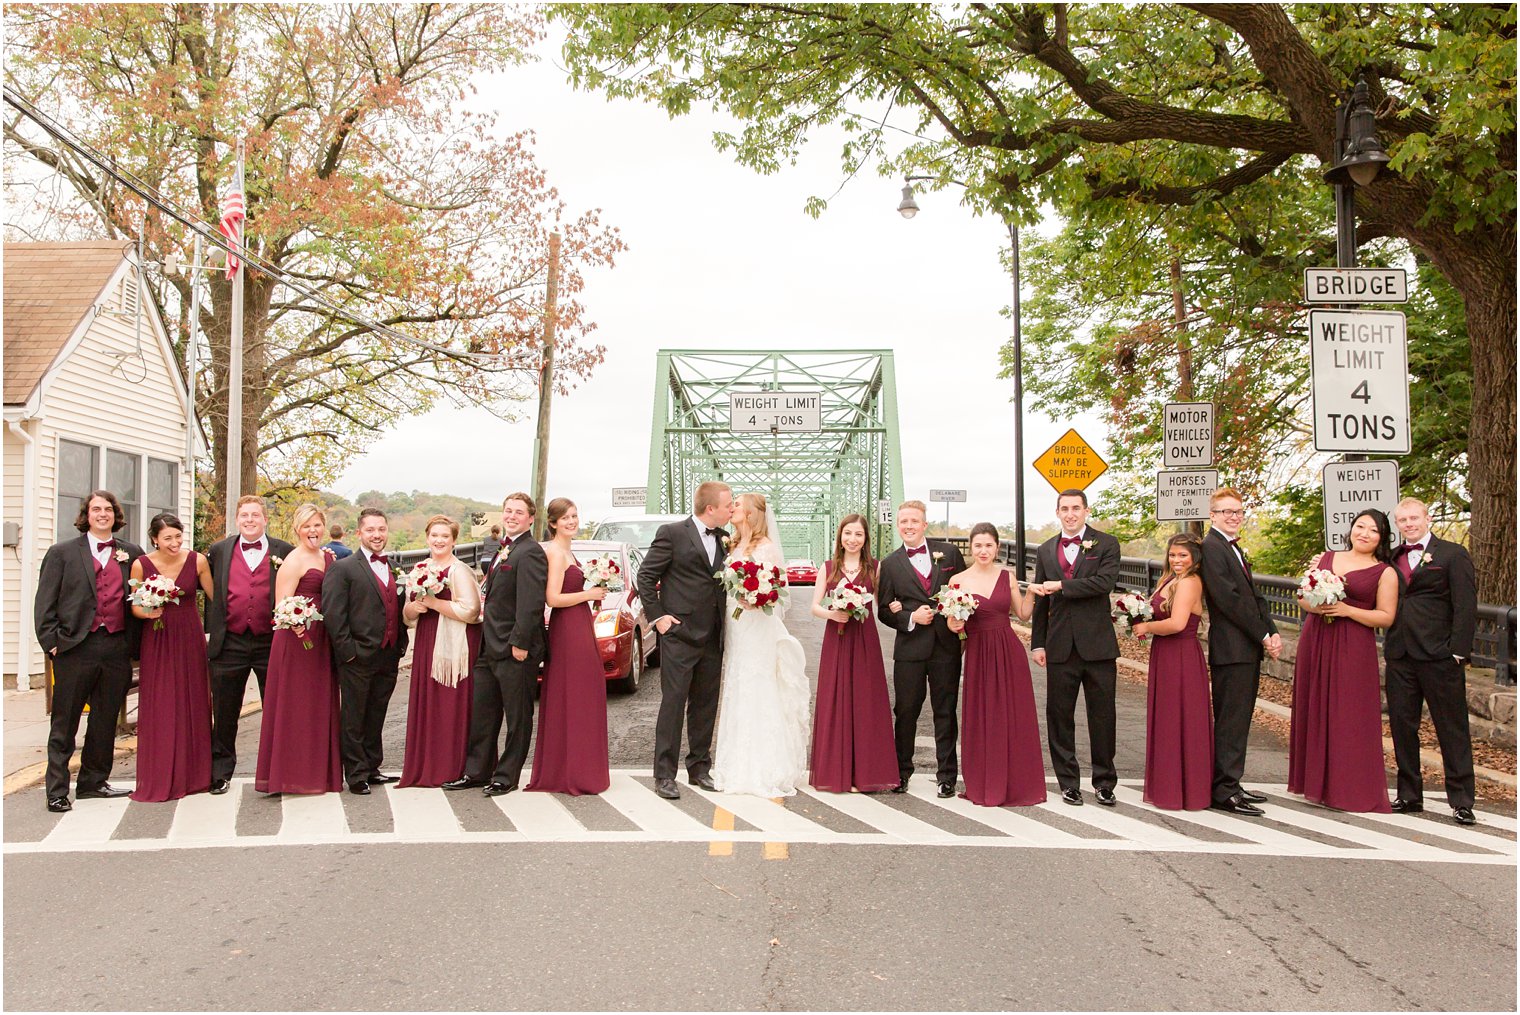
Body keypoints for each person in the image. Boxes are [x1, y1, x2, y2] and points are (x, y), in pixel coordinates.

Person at [33, 490, 143, 812]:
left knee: (105, 719)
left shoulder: (131, 553)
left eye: (108, 509)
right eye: (96, 509)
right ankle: (56, 790)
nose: (102, 514)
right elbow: (45, 603)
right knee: (65, 722)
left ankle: (94, 782)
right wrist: (52, 643)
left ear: (115, 515)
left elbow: (140, 596)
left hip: (116, 647)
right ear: (87, 515)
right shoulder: (62, 553)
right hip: (75, 647)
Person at [1288, 508, 1398, 814]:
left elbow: (1386, 617)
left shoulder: (1384, 572)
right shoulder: (1327, 557)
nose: (1364, 533)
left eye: (1373, 530)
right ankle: (1316, 785)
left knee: (1348, 711)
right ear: (1350, 529)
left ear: (1382, 537)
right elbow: (1301, 596)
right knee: (1316, 704)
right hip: (1317, 638)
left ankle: (1349, 787)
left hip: (1354, 645)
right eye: (1360, 526)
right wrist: (1315, 606)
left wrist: (1349, 611)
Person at [636, 480, 734, 800]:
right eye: (728, 504)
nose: (732, 508)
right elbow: (646, 576)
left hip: (713, 635)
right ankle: (665, 774)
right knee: (674, 704)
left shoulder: (725, 539)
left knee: (705, 706)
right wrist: (659, 618)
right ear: (710, 509)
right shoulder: (672, 533)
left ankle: (699, 768)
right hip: (679, 634)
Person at [709, 492, 811, 797]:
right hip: (735, 622)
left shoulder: (765, 548)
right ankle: (736, 761)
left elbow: (777, 590)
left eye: (737, 505)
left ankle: (765, 766)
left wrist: (757, 599)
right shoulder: (730, 543)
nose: (732, 508)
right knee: (738, 684)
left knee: (759, 684)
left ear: (751, 513)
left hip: (756, 623)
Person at [446, 492, 547, 796]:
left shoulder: (530, 552)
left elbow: (531, 603)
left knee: (517, 717)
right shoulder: (506, 548)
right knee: (483, 713)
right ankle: (476, 772)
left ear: (531, 518)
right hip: (488, 647)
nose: (512, 516)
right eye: (508, 511)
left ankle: (506, 775)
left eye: (518, 512)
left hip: (514, 648)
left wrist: (520, 643)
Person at [1385, 497, 1478, 825]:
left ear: (1427, 518)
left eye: (1414, 518)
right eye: (1402, 520)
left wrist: (1458, 651)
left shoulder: (1452, 554)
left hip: (1440, 655)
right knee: (1402, 726)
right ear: (1397, 524)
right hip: (1400, 654)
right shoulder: (1392, 557)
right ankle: (1409, 794)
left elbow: (1466, 605)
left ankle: (1462, 799)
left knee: (1451, 728)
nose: (1409, 524)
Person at [1030, 489, 1122, 806]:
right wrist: (1037, 643)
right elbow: (1041, 601)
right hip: (1059, 647)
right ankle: (1068, 782)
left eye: (1076, 508)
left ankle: (1104, 782)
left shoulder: (1106, 544)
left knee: (1102, 717)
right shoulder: (1044, 550)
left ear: (1086, 511)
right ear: (1057, 512)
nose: (1070, 514)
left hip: (1098, 646)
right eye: (1064, 509)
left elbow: (1103, 583)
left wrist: (1063, 586)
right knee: (1059, 717)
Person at [944, 523, 1045, 807]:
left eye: (989, 545)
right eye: (978, 545)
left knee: (1012, 717)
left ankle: (1014, 782)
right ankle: (985, 781)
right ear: (971, 548)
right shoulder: (957, 581)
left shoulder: (1007, 575)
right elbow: (955, 626)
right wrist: (954, 625)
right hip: (978, 653)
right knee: (983, 716)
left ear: (997, 547)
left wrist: (1032, 593)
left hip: (1008, 651)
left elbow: (1023, 615)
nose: (983, 550)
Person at [204, 495, 295, 795]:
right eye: (244, 515)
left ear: (265, 519)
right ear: (237, 519)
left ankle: (276, 772)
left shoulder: (284, 550)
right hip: (229, 641)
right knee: (225, 710)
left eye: (255, 515)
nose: (250, 520)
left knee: (276, 708)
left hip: (271, 641)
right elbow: (208, 589)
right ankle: (221, 771)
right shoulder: (219, 550)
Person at [876, 500, 967, 798]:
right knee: (905, 712)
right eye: (903, 521)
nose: (909, 526)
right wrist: (909, 618)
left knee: (945, 711)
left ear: (924, 524)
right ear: (897, 525)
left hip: (945, 646)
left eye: (914, 521)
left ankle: (946, 777)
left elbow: (964, 593)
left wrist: (957, 619)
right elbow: (883, 611)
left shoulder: (950, 553)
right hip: (910, 649)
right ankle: (901, 773)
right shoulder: (889, 564)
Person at [1198, 487, 1280, 817]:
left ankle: (1233, 780)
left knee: (1241, 717)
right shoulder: (1212, 548)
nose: (1233, 517)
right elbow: (1229, 600)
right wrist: (1262, 634)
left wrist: (1272, 629)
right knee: (1231, 719)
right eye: (1226, 511)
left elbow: (1254, 596)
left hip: (1246, 647)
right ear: (1212, 515)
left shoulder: (1234, 548)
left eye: (1238, 512)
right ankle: (1223, 790)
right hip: (1231, 648)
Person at [254, 503, 343, 795]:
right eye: (306, 526)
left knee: (318, 703)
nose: (312, 531)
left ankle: (318, 772)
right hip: (297, 639)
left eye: (317, 525)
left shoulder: (328, 557)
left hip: (323, 639)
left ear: (323, 526)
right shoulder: (293, 561)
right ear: (297, 529)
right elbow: (281, 605)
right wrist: (295, 623)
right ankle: (288, 774)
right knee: (296, 705)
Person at [526, 498, 612, 795]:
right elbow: (552, 599)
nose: (572, 521)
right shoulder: (555, 553)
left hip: (580, 625)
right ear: (553, 523)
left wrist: (591, 596)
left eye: (575, 516)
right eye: (565, 518)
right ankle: (570, 771)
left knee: (585, 693)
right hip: (567, 630)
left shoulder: (568, 551)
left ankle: (582, 766)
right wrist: (588, 594)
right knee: (573, 695)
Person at [808, 514, 898, 793]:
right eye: (848, 534)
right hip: (837, 637)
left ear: (866, 539)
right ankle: (837, 772)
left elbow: (884, 603)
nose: (853, 539)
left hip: (864, 639)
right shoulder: (828, 567)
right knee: (835, 697)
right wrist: (833, 614)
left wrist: (896, 608)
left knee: (865, 700)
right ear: (840, 536)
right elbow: (814, 606)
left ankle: (866, 773)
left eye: (858, 535)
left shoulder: (875, 568)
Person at [128, 513, 215, 802]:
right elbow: (135, 606)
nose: (175, 542)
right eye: (168, 538)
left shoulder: (198, 561)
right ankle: (161, 772)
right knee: (162, 702)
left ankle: (195, 775)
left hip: (190, 636)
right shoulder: (141, 564)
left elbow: (216, 599)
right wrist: (149, 611)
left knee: (192, 699)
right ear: (154, 538)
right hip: (158, 637)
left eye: (178, 536)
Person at [322, 507, 408, 794]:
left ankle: (372, 767)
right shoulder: (343, 568)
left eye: (381, 529)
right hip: (357, 656)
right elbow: (334, 614)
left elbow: (396, 607)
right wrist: (349, 652)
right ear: (359, 533)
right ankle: (356, 773)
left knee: (377, 713)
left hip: (388, 654)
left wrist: (400, 645)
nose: (377, 535)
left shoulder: (393, 566)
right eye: (370, 530)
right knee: (354, 716)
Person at [397, 515, 482, 788]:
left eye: (445, 536)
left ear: (454, 540)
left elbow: (471, 611)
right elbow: (408, 614)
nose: (439, 540)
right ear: (427, 537)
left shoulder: (460, 570)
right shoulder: (421, 569)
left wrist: (433, 604)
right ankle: (425, 765)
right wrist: (416, 607)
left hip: (454, 645)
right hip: (427, 640)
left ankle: (450, 766)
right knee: (428, 702)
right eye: (434, 535)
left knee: (450, 704)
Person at [1131, 534, 1213, 811]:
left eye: (1183, 556)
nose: (1176, 560)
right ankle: (1168, 785)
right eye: (1173, 555)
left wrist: (1146, 628)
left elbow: (1178, 623)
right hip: (1164, 654)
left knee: (1182, 719)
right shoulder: (1169, 580)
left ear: (1195, 558)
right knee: (1167, 719)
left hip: (1181, 655)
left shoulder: (1190, 582)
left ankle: (1188, 791)